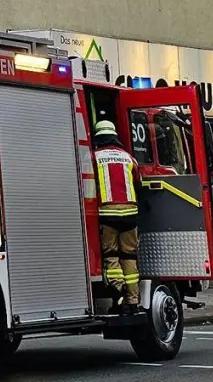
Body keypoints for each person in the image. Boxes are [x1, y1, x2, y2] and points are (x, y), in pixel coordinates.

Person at [92, 119, 141, 308]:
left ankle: (118, 294)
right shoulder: (129, 158)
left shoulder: (94, 157)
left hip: (107, 214)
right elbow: (138, 182)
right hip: (130, 215)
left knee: (111, 254)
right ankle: (133, 299)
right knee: (129, 256)